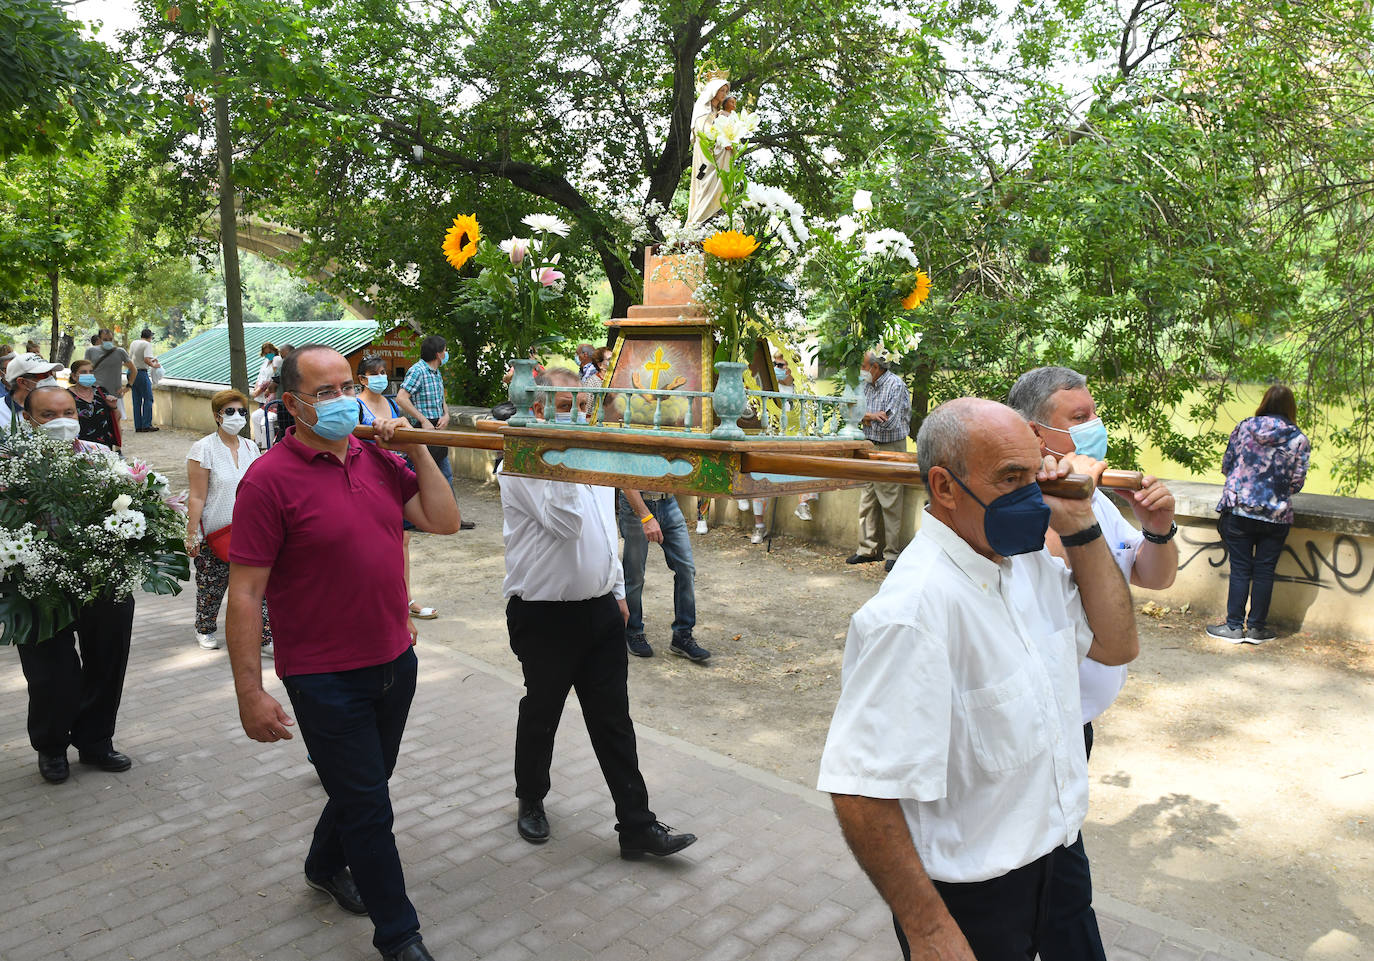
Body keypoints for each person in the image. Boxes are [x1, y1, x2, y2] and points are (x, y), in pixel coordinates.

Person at [818, 397, 1138, 961]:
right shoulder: (914, 614)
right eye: (1010, 478)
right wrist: (929, 930)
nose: (1030, 492)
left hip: (1057, 857)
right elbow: (861, 790)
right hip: (976, 900)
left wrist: (1082, 523)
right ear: (944, 487)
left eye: (1033, 473)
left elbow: (1116, 646)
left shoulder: (1026, 563)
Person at [226, 345, 459, 961]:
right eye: (325, 392)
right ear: (291, 402)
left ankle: (324, 864)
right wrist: (250, 692)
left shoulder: (376, 459)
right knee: (370, 806)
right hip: (323, 675)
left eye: (349, 386)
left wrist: (414, 447)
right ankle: (399, 935)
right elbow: (245, 594)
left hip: (394, 660)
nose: (343, 400)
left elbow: (442, 520)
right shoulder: (268, 480)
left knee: (365, 787)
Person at [1008, 365, 1178, 960]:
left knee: (1056, 865)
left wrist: (1158, 527)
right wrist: (1068, 506)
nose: (1095, 428)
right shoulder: (1015, 511)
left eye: (1093, 413)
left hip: (1072, 725)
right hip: (1027, 728)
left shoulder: (1094, 501)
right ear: (1036, 434)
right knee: (1049, 878)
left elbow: (1152, 578)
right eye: (1078, 420)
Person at [499, 368, 699, 857]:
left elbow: (603, 528)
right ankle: (531, 798)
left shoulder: (593, 456)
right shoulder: (521, 465)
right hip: (544, 615)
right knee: (542, 711)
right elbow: (566, 525)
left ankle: (637, 825)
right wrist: (569, 450)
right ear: (540, 408)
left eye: (582, 405)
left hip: (600, 610)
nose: (578, 413)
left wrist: (614, 586)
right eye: (565, 405)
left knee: (614, 719)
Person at [15, 386, 135, 783]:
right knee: (52, 675)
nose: (61, 420)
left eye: (68, 411)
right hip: (38, 585)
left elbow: (130, 509)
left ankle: (96, 741)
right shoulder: (9, 464)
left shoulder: (102, 457)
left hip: (102, 579)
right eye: (48, 415)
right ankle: (51, 747)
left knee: (107, 662)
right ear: (28, 417)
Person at [1208, 384, 1310, 644]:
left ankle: (1233, 628)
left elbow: (1227, 464)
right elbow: (1296, 483)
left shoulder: (1244, 427)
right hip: (1276, 515)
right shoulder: (1299, 439)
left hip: (1240, 510)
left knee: (1241, 570)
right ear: (1291, 408)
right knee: (1265, 571)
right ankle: (1256, 629)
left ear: (1264, 403)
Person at [184, 390, 272, 653]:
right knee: (212, 584)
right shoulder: (203, 448)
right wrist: (192, 533)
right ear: (217, 415)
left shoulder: (251, 447)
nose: (237, 417)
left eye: (242, 412)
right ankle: (205, 628)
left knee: (258, 588)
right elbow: (197, 496)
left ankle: (264, 637)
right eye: (230, 412)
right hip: (215, 531)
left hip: (249, 531)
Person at [356, 355, 442, 620]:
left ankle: (404, 599)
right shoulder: (356, 406)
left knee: (403, 539)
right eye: (375, 373)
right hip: (369, 482)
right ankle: (380, 599)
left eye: (384, 372)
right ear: (362, 379)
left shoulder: (390, 402)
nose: (381, 377)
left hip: (395, 476)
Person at [618, 480, 709, 661]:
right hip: (635, 503)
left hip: (668, 502)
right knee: (634, 575)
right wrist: (646, 517)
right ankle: (633, 631)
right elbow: (623, 479)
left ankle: (683, 635)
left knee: (686, 569)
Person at [846, 351, 911, 571]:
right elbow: (851, 411)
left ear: (875, 367)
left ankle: (892, 553)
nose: (862, 371)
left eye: (864, 366)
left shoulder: (895, 385)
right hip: (868, 445)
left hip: (891, 447)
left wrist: (865, 417)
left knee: (890, 499)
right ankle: (866, 550)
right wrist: (872, 416)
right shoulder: (865, 385)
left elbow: (890, 422)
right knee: (867, 498)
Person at [396, 335, 454, 487]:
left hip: (438, 430)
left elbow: (441, 399)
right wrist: (423, 420)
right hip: (422, 430)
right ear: (438, 354)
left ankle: (447, 509)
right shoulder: (417, 371)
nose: (446, 354)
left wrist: (446, 415)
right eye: (445, 350)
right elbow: (401, 398)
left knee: (446, 478)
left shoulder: (436, 372)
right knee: (418, 479)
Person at [686, 78, 733, 224]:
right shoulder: (702, 109)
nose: (724, 94)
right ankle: (702, 216)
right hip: (706, 152)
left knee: (723, 171)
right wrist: (721, 139)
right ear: (714, 91)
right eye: (722, 90)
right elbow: (703, 131)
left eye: (726, 91)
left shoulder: (717, 111)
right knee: (704, 180)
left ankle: (718, 209)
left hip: (717, 150)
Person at [84, 329, 136, 425]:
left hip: (115, 394)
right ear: (99, 339)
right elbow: (85, 371)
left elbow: (133, 369)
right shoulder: (90, 351)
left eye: (110, 339)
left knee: (116, 423)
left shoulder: (120, 352)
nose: (108, 342)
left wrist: (128, 386)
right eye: (105, 339)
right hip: (96, 394)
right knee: (96, 423)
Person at [67, 358, 120, 449]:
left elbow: (117, 418)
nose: (88, 375)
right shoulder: (66, 396)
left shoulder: (101, 392)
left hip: (104, 446)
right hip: (80, 447)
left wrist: (114, 407)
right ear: (74, 376)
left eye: (91, 372)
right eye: (84, 372)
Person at [4, 352, 63, 429]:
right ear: (22, 382)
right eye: (43, 375)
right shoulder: (2, 411)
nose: (51, 378)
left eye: (51, 373)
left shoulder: (59, 405)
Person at [128, 327, 162, 432]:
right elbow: (146, 359)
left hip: (130, 372)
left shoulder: (134, 342)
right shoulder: (147, 344)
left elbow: (135, 357)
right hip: (140, 373)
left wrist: (151, 360)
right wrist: (154, 365)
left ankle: (138, 426)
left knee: (136, 400)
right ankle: (146, 425)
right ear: (150, 337)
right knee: (148, 398)